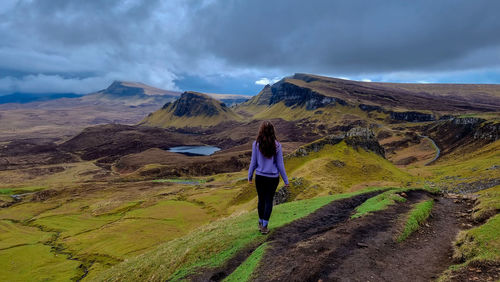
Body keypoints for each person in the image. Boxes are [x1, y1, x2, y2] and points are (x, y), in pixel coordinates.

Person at [248, 121, 289, 234]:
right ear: (272, 131)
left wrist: (250, 176)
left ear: (261, 131)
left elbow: (253, 162)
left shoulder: (256, 144)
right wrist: (286, 180)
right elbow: (280, 164)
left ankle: (260, 223)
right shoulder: (277, 145)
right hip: (273, 178)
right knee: (268, 201)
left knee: (261, 200)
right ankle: (265, 226)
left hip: (260, 177)